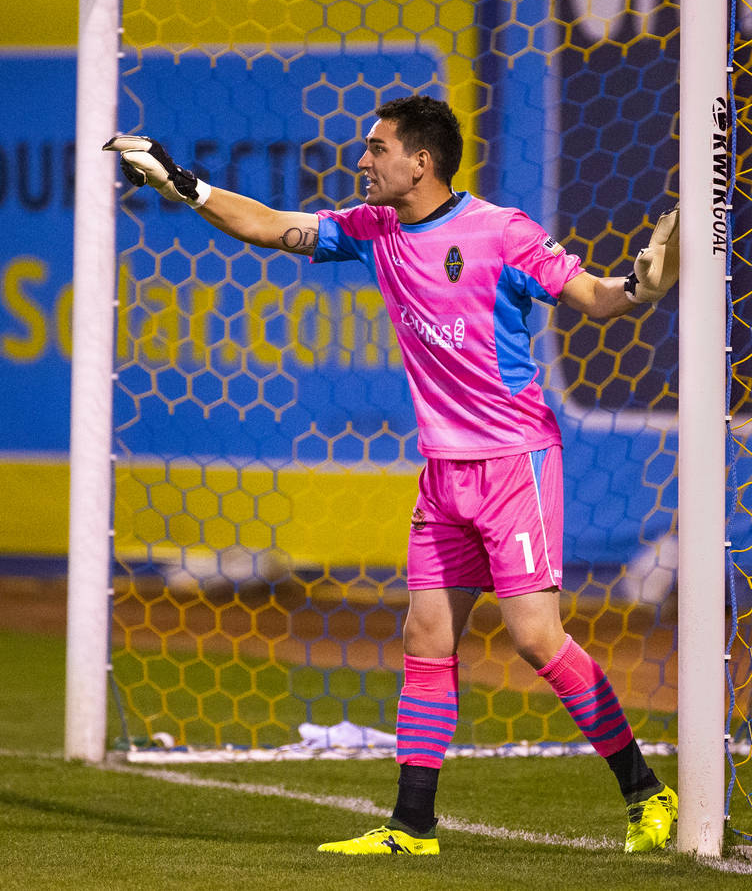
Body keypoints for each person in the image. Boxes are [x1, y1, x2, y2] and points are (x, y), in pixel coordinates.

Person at [103, 94, 680, 855]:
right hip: (444, 473)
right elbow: (271, 226)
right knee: (425, 636)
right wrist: (189, 188)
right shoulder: (372, 228)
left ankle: (646, 791)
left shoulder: (500, 232)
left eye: (376, 148)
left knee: (536, 640)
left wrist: (641, 285)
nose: (362, 160)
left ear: (422, 161)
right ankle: (411, 827)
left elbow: (594, 299)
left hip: (516, 463)